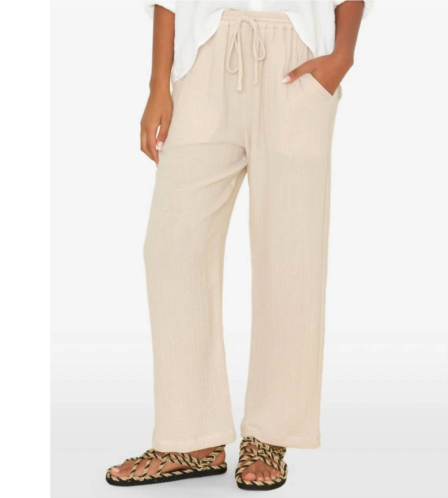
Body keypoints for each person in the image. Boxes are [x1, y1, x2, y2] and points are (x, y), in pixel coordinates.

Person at [107, 0, 372, 491]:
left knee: (291, 253)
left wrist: (343, 56)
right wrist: (158, 84)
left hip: (296, 57)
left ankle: (270, 434)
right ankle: (191, 437)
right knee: (172, 248)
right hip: (205, 54)